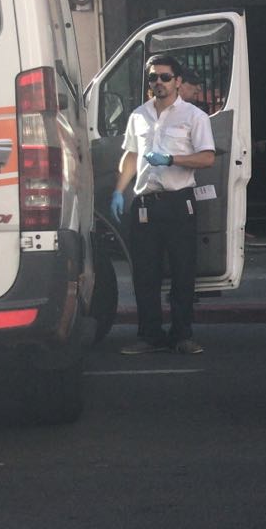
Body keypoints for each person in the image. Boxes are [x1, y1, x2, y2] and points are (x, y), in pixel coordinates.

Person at [110, 54, 216, 355]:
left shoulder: (193, 116)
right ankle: (150, 336)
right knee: (145, 274)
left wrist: (171, 159)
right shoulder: (138, 115)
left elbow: (207, 157)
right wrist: (119, 190)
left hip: (179, 201)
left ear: (178, 81)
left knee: (183, 271)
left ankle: (182, 335)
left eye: (165, 77)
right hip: (145, 203)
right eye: (154, 77)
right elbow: (131, 156)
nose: (159, 82)